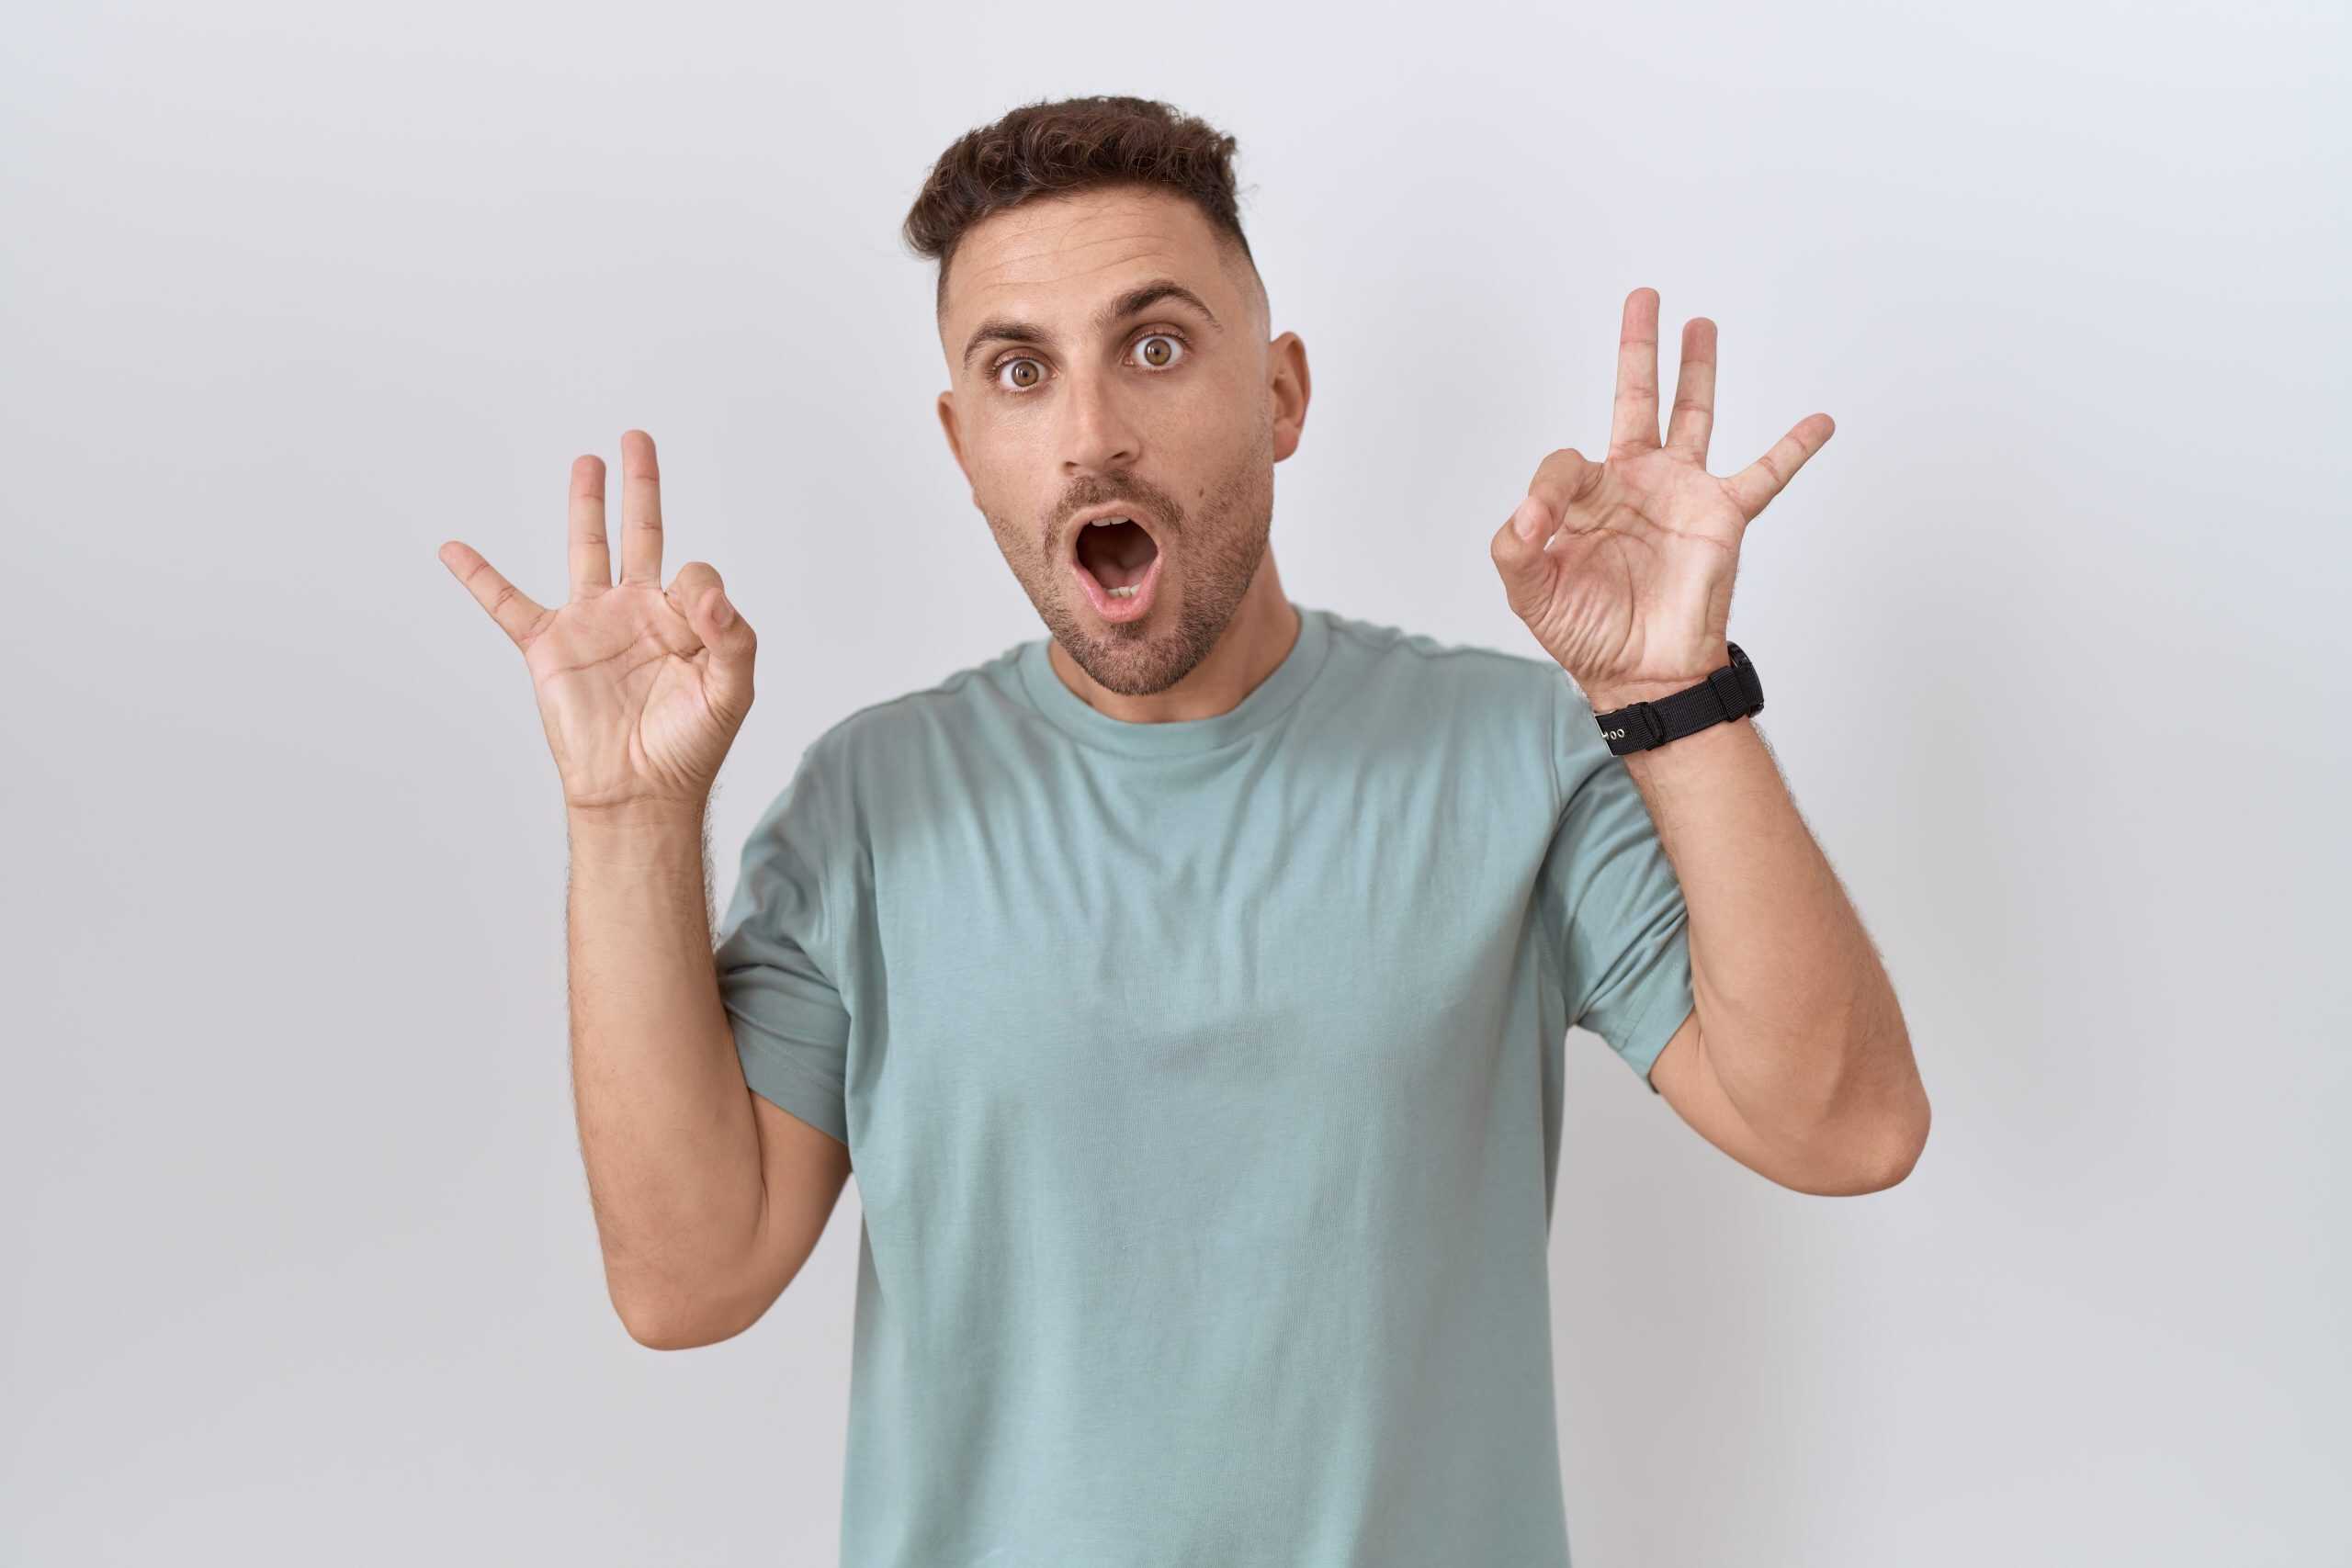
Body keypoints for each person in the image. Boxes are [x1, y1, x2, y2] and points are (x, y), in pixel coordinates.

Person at [438, 93, 1928, 1568]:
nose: (1092, 436)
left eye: (1156, 347)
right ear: (963, 445)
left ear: (1279, 395)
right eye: (1021, 372)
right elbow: (687, 1284)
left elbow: (1845, 1127)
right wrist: (629, 816)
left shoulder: (1515, 757)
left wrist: (1674, 697)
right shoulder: (867, 810)